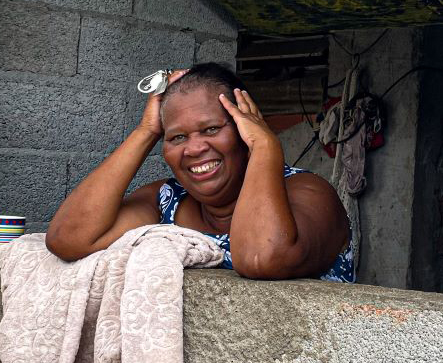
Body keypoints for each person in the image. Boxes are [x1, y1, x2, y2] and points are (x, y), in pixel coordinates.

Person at [45, 63, 354, 282]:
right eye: (177, 137)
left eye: (211, 129)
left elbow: (262, 257)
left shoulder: (307, 192)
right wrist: (145, 131)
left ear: (244, 128)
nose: (193, 149)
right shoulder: (167, 202)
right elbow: (68, 239)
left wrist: (265, 145)